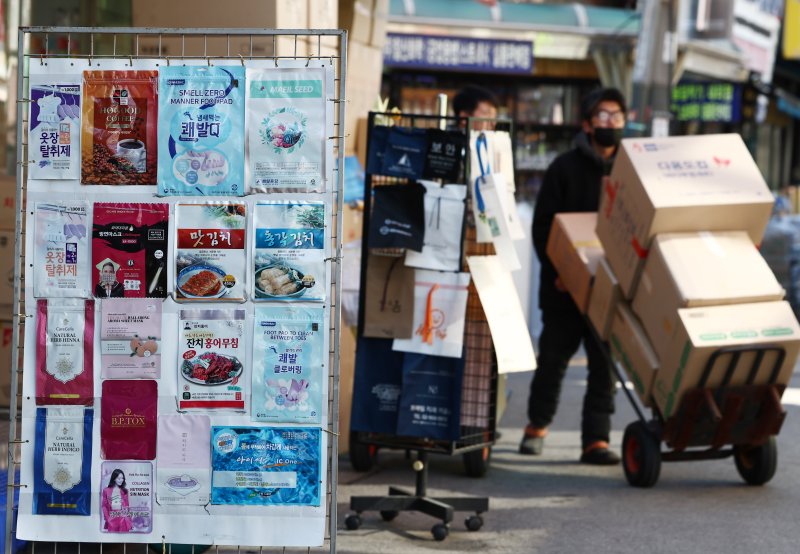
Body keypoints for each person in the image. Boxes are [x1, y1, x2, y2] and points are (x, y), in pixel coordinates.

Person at [519, 87, 627, 465]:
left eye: (617, 116)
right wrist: (559, 272)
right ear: (587, 124)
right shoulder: (563, 168)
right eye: (603, 116)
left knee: (603, 366)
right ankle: (536, 426)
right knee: (553, 360)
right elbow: (543, 228)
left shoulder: (630, 171)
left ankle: (595, 440)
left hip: (610, 290)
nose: (610, 123)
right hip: (562, 288)